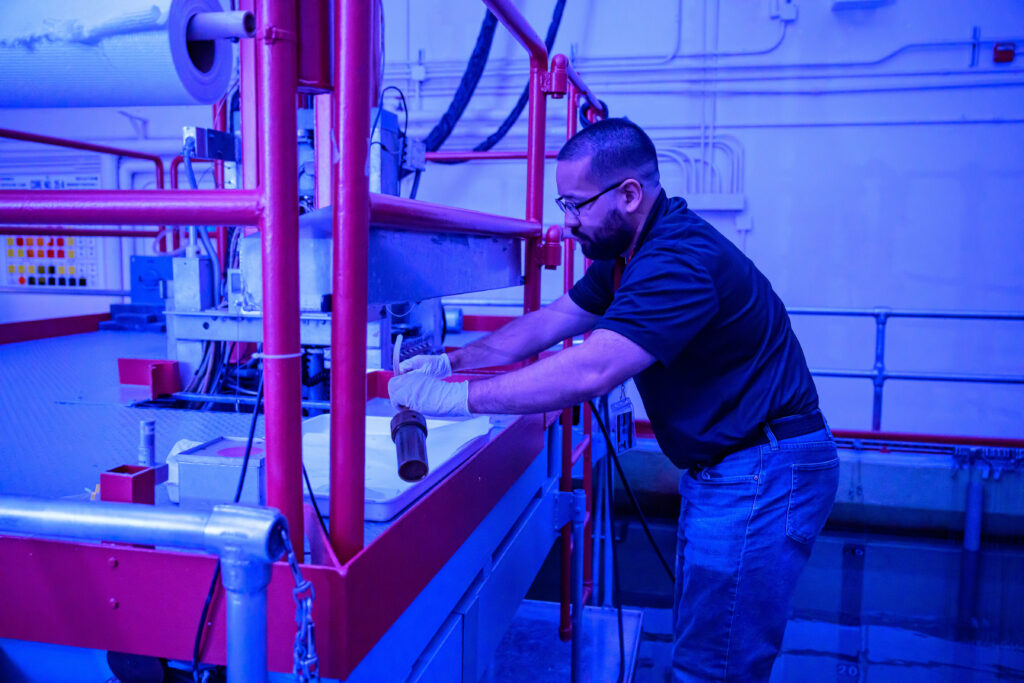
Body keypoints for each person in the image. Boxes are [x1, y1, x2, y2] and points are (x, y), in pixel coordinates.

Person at [389, 118, 839, 682]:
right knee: (706, 643)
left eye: (576, 205)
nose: (567, 221)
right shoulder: (628, 253)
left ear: (629, 194)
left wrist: (455, 400)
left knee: (713, 664)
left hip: (761, 469)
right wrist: (453, 360)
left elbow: (594, 367)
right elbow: (556, 319)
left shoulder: (676, 260)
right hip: (732, 467)